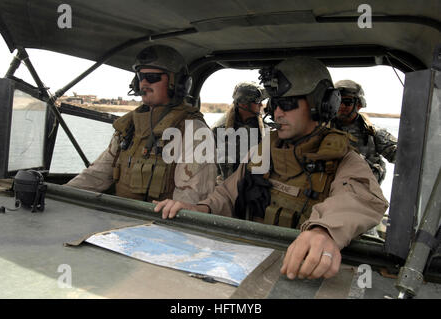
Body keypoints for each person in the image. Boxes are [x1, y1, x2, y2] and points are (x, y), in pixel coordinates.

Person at [153, 56, 389, 280]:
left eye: (287, 103)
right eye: (275, 104)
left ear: (322, 104)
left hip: (300, 273)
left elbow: (360, 199)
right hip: (244, 264)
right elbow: (226, 195)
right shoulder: (264, 149)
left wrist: (323, 232)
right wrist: (197, 209)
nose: (277, 113)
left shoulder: (344, 159)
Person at [66, 45, 217, 204]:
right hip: (119, 219)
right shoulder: (128, 126)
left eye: (152, 77)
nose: (143, 83)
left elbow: (190, 202)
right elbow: (96, 175)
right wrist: (60, 194)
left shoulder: (193, 130)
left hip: (159, 224)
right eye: (140, 77)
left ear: (178, 83)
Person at [333, 80, 397, 184]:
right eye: (337, 100)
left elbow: (403, 156)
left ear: (358, 105)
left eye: (347, 102)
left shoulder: (372, 132)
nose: (341, 106)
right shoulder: (319, 128)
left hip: (360, 192)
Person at [211, 81, 267, 181]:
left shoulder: (265, 130)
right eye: (258, 101)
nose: (262, 105)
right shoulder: (219, 130)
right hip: (226, 188)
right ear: (244, 104)